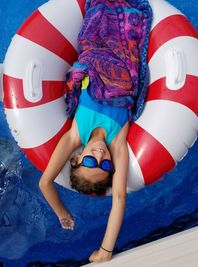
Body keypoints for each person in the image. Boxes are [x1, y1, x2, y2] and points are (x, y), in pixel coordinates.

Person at [39, 0, 152, 263]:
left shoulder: (76, 135)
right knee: (129, 17)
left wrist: (62, 213)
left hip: (98, 53)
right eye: (104, 163)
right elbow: (120, 198)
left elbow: (44, 182)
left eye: (90, 160)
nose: (100, 155)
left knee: (99, 14)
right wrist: (105, 251)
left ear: (76, 158)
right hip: (122, 61)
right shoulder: (118, 144)